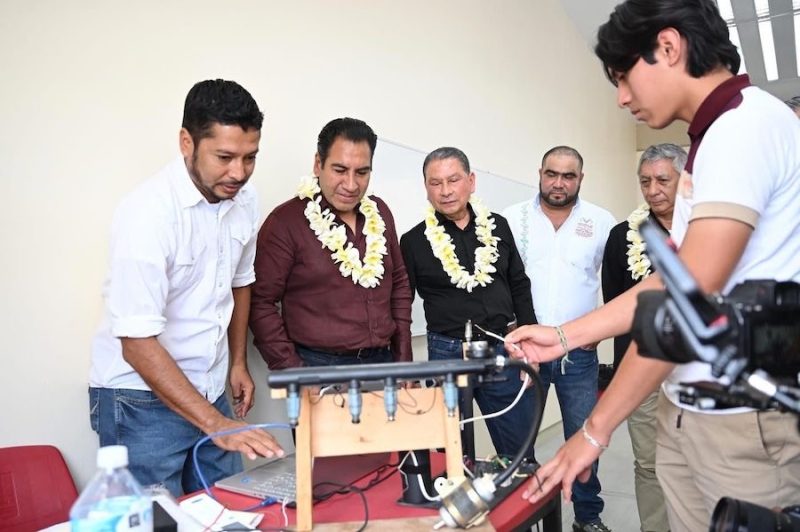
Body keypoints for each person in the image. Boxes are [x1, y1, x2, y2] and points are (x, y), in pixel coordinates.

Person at [505, 1, 800, 530]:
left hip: (740, 422)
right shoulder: (714, 137)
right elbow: (669, 280)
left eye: (624, 77)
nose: (621, 98)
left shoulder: (745, 127)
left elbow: (685, 302)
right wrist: (565, 335)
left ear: (668, 47)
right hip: (689, 406)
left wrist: (593, 429)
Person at [89, 79, 283, 497]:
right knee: (157, 522)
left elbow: (240, 281)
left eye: (250, 157)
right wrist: (218, 425)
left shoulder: (245, 199)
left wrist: (237, 362)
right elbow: (136, 342)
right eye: (225, 157)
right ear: (186, 143)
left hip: (210, 389)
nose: (239, 173)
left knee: (230, 511)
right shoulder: (147, 214)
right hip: (140, 399)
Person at [503, 146, 615, 532]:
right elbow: (501, 281)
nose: (558, 183)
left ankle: (587, 516)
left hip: (577, 353)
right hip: (526, 352)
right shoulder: (512, 218)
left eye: (568, 176)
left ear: (580, 179)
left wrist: (600, 330)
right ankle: (523, 517)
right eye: (552, 174)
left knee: (584, 438)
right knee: (519, 441)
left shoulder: (601, 222)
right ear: (540, 173)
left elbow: (612, 283)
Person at [399, 147, 537, 459]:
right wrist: (404, 366)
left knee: (519, 450)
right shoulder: (414, 241)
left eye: (453, 180)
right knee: (452, 456)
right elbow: (401, 305)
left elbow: (519, 284)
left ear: (471, 181)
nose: (445, 191)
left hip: (500, 349)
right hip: (446, 355)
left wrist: (529, 343)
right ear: (426, 188)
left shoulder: (498, 226)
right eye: (435, 183)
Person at [249, 118, 412, 369]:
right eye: (340, 170)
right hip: (318, 367)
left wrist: (403, 361)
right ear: (318, 164)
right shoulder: (285, 222)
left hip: (384, 363)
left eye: (362, 172)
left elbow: (399, 283)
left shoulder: (380, 212)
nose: (351, 184)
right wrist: (296, 372)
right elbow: (260, 302)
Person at [601, 143, 686, 532]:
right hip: (642, 369)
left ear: (683, 180)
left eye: (662, 180)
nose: (653, 190)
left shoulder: (704, 229)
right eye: (645, 181)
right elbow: (616, 305)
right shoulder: (622, 237)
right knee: (649, 463)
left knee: (702, 461)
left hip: (698, 370)